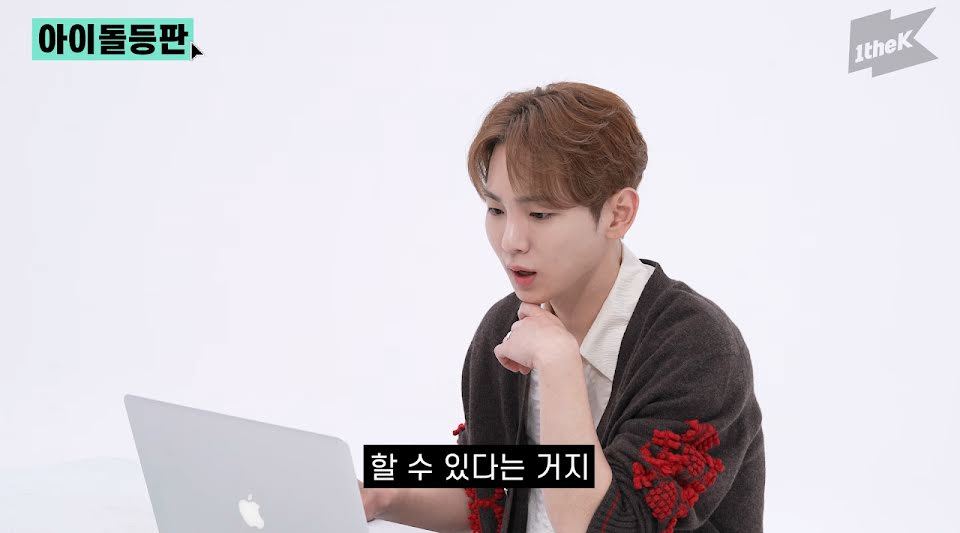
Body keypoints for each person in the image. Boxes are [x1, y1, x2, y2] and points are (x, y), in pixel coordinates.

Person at [358, 81, 765, 532]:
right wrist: (383, 494)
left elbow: (612, 525)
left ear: (618, 214)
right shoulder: (506, 326)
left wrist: (559, 364)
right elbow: (489, 493)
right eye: (496, 210)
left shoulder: (697, 347)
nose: (511, 241)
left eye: (540, 214)